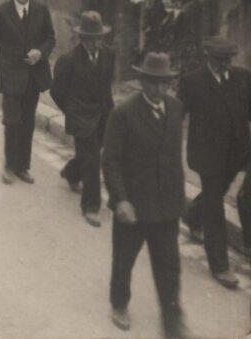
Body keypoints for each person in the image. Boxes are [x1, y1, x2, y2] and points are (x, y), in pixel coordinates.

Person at [102, 53, 187, 337]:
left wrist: (178, 198)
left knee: (169, 266)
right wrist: (121, 200)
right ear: (142, 82)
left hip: (166, 206)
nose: (160, 89)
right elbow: (111, 160)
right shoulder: (123, 113)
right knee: (125, 259)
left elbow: (173, 155)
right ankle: (119, 303)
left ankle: (172, 320)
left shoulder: (176, 109)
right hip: (134, 205)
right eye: (154, 83)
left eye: (166, 83)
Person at [179, 35, 250, 289]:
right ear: (208, 57)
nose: (226, 65)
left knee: (217, 193)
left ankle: (191, 215)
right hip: (207, 155)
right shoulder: (192, 82)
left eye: (229, 59)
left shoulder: (243, 78)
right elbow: (178, 115)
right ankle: (220, 265)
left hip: (236, 154)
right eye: (220, 60)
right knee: (215, 204)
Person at [0, 0, 56, 184]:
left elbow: (50, 38)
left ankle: (23, 166)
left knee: (28, 122)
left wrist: (40, 52)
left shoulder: (41, 11)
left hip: (32, 76)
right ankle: (9, 165)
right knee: (12, 121)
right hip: (9, 74)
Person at [50, 11, 115, 227]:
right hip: (81, 118)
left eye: (99, 38)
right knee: (93, 160)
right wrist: (72, 112)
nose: (96, 42)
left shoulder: (108, 55)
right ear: (83, 38)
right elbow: (56, 91)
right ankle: (90, 206)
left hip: (103, 115)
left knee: (91, 154)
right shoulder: (68, 61)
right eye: (92, 38)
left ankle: (71, 172)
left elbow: (107, 87)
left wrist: (111, 112)